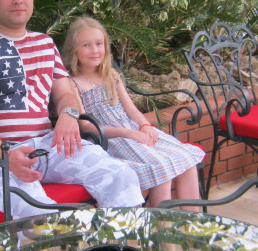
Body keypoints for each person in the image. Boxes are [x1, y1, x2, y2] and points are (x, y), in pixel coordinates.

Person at [0, 0, 145, 218]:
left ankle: (115, 243)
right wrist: (5, 156)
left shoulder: (44, 43)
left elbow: (66, 95)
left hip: (49, 146)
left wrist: (69, 115)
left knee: (121, 176)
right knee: (37, 214)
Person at [62, 16, 205, 207]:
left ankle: (191, 221)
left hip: (132, 130)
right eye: (86, 45)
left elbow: (131, 110)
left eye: (99, 44)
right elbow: (86, 126)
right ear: (74, 50)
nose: (94, 50)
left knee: (187, 160)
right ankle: (160, 224)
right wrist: (128, 133)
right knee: (161, 169)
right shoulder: (72, 83)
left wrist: (144, 125)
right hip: (109, 139)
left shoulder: (111, 76)